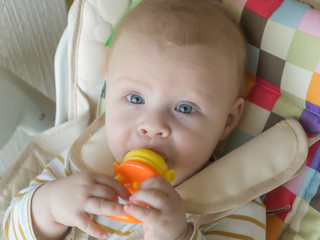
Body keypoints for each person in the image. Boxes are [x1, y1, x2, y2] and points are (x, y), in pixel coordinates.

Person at [3, 0, 266, 239]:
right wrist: (48, 207)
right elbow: (11, 231)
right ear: (109, 91)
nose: (153, 125)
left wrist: (176, 235)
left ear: (228, 120)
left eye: (185, 108)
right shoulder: (81, 165)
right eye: (136, 99)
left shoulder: (235, 205)